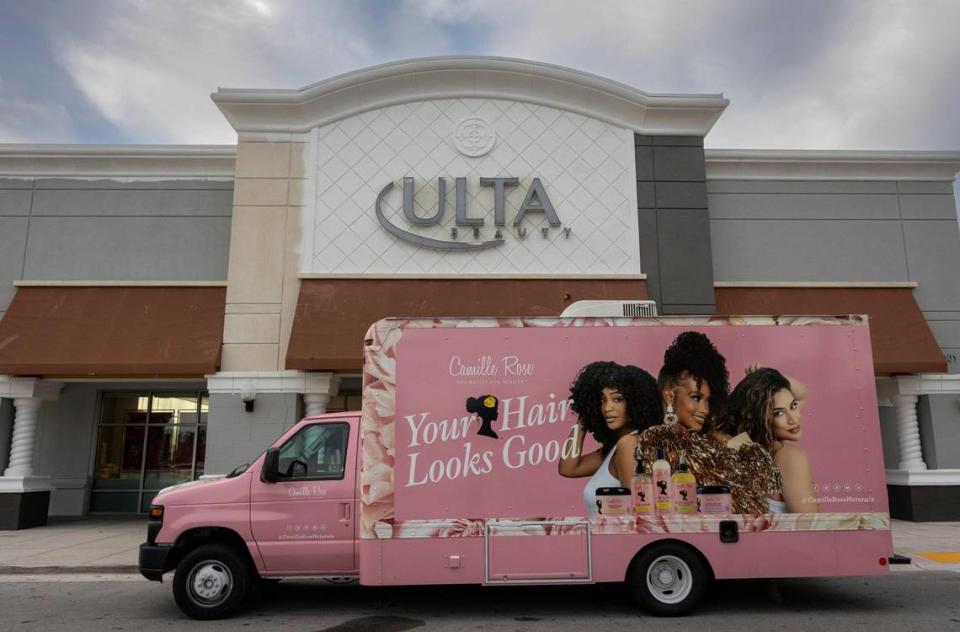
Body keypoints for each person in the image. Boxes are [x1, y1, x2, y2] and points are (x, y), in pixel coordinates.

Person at [627, 331, 777, 515]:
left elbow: (764, 474)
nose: (705, 409)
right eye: (696, 397)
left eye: (707, 400)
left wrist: (759, 383)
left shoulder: (713, 441)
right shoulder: (649, 441)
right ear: (669, 395)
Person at [559, 362, 660, 516]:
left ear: (636, 403)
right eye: (602, 400)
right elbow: (568, 468)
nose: (607, 408)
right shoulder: (616, 447)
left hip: (616, 540)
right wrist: (585, 416)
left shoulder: (629, 444)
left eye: (617, 399)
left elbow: (637, 516)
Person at [716, 367, 819, 513]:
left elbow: (802, 393)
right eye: (778, 413)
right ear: (758, 416)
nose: (793, 419)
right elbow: (812, 525)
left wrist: (766, 377)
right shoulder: (788, 456)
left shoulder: (742, 448)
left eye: (793, 406)